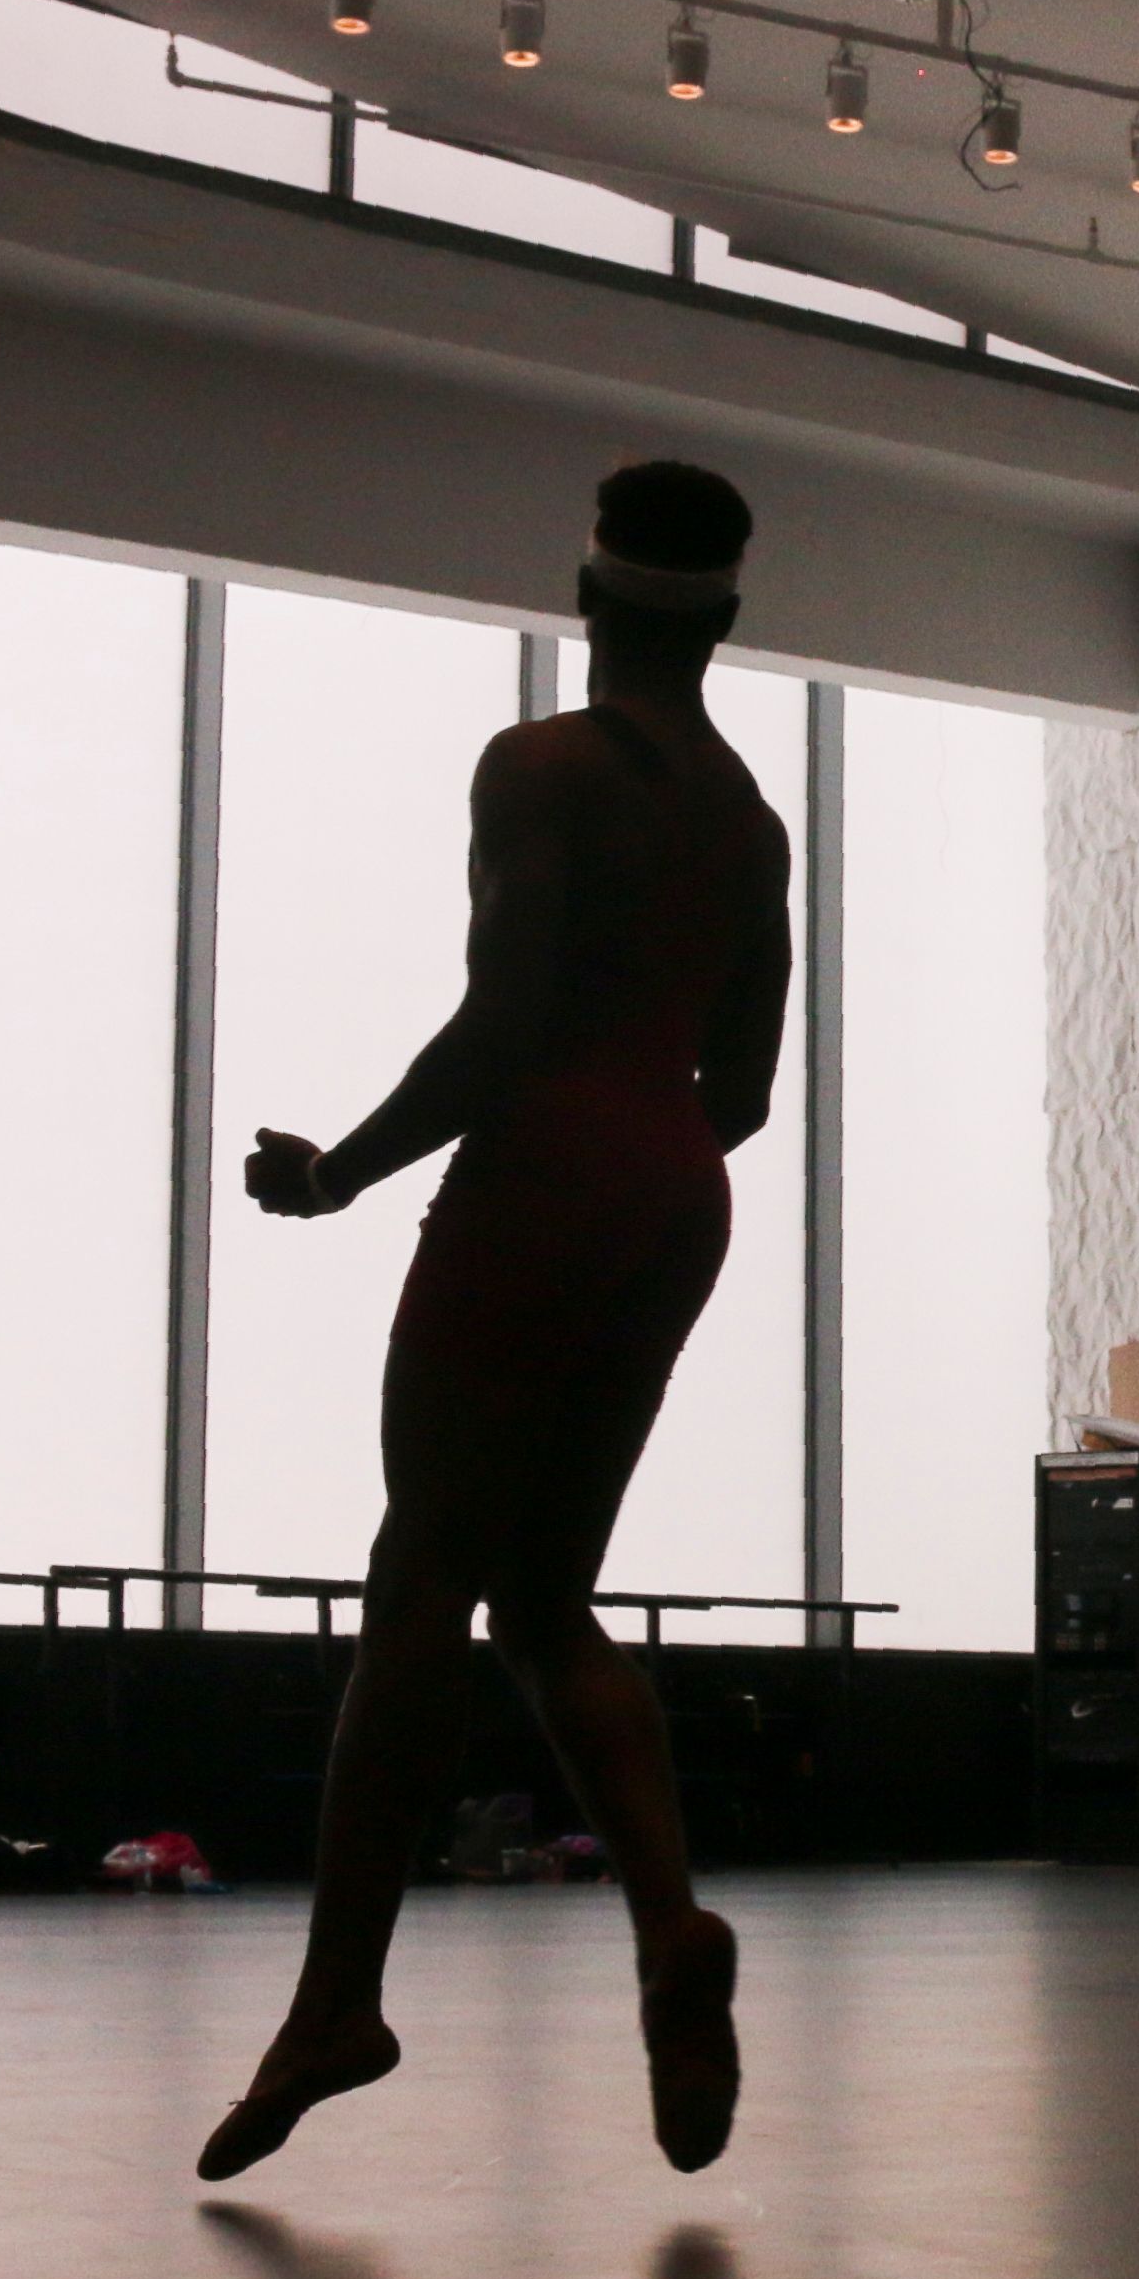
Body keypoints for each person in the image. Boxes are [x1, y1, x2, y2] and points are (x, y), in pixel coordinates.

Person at [200, 461, 790, 2184]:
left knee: (417, 1597)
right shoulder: (752, 820)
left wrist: (342, 1174)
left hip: (545, 1177)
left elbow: (503, 1019)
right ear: (727, 619)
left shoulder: (536, 769)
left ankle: (338, 2004)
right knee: (544, 1597)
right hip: (680, 1187)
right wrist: (641, 1139)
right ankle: (669, 1918)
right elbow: (743, 1085)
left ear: (585, 603)